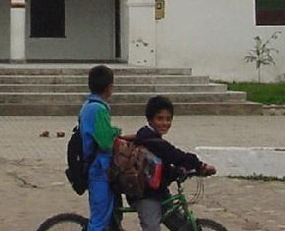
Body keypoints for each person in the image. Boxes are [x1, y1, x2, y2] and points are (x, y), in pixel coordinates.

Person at [131, 95, 216, 231]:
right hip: (145, 195)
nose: (165, 123)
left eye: (168, 119)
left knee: (182, 226)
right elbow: (174, 155)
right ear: (149, 119)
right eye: (160, 119)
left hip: (159, 192)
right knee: (151, 227)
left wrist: (177, 172)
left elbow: (160, 165)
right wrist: (200, 165)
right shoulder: (150, 139)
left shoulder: (151, 137)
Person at [79, 65, 127, 231]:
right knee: (99, 220)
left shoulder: (88, 106)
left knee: (111, 216)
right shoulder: (98, 109)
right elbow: (105, 142)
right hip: (99, 169)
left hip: (96, 167)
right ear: (109, 87)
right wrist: (116, 132)